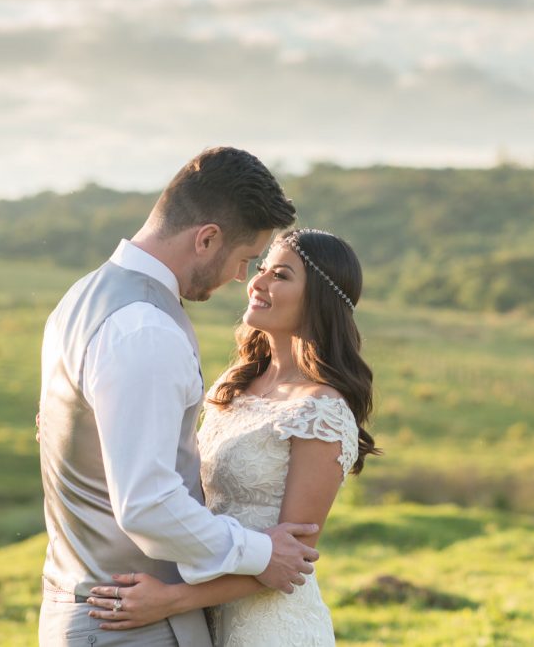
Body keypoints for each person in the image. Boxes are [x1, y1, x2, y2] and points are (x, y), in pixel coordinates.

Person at [37, 147, 323, 647]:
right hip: (130, 625)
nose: (242, 276)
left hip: (86, 605)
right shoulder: (145, 328)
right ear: (206, 238)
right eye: (242, 259)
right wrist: (261, 553)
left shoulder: (84, 295)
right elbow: (146, 501)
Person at [83, 228, 380, 646]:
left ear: (319, 300)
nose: (257, 282)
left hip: (269, 627)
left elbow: (294, 559)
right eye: (261, 269)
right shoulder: (235, 386)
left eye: (281, 275)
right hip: (203, 616)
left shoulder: (321, 410)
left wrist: (170, 601)